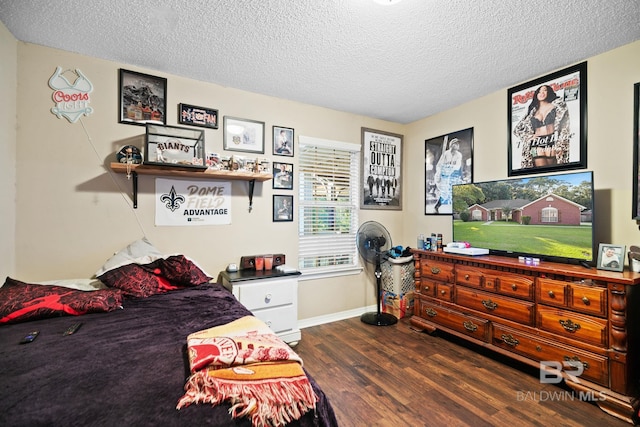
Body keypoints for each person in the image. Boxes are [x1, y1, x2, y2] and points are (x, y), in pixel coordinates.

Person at [514, 84, 571, 168]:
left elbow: (565, 126)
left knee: (555, 170)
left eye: (545, 90)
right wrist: (529, 137)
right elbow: (517, 130)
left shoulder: (557, 106)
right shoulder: (532, 112)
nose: (542, 93)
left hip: (552, 141)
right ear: (536, 94)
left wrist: (562, 141)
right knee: (540, 171)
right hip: (536, 144)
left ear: (549, 92)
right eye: (539, 91)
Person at [433, 138, 463, 213]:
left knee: (454, 191)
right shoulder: (446, 154)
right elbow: (439, 166)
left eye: (458, 144)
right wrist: (440, 174)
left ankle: (456, 209)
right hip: (441, 176)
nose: (458, 145)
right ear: (451, 145)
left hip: (450, 175)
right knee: (445, 193)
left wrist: (449, 167)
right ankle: (436, 207)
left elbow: (458, 166)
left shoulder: (459, 155)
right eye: (456, 143)